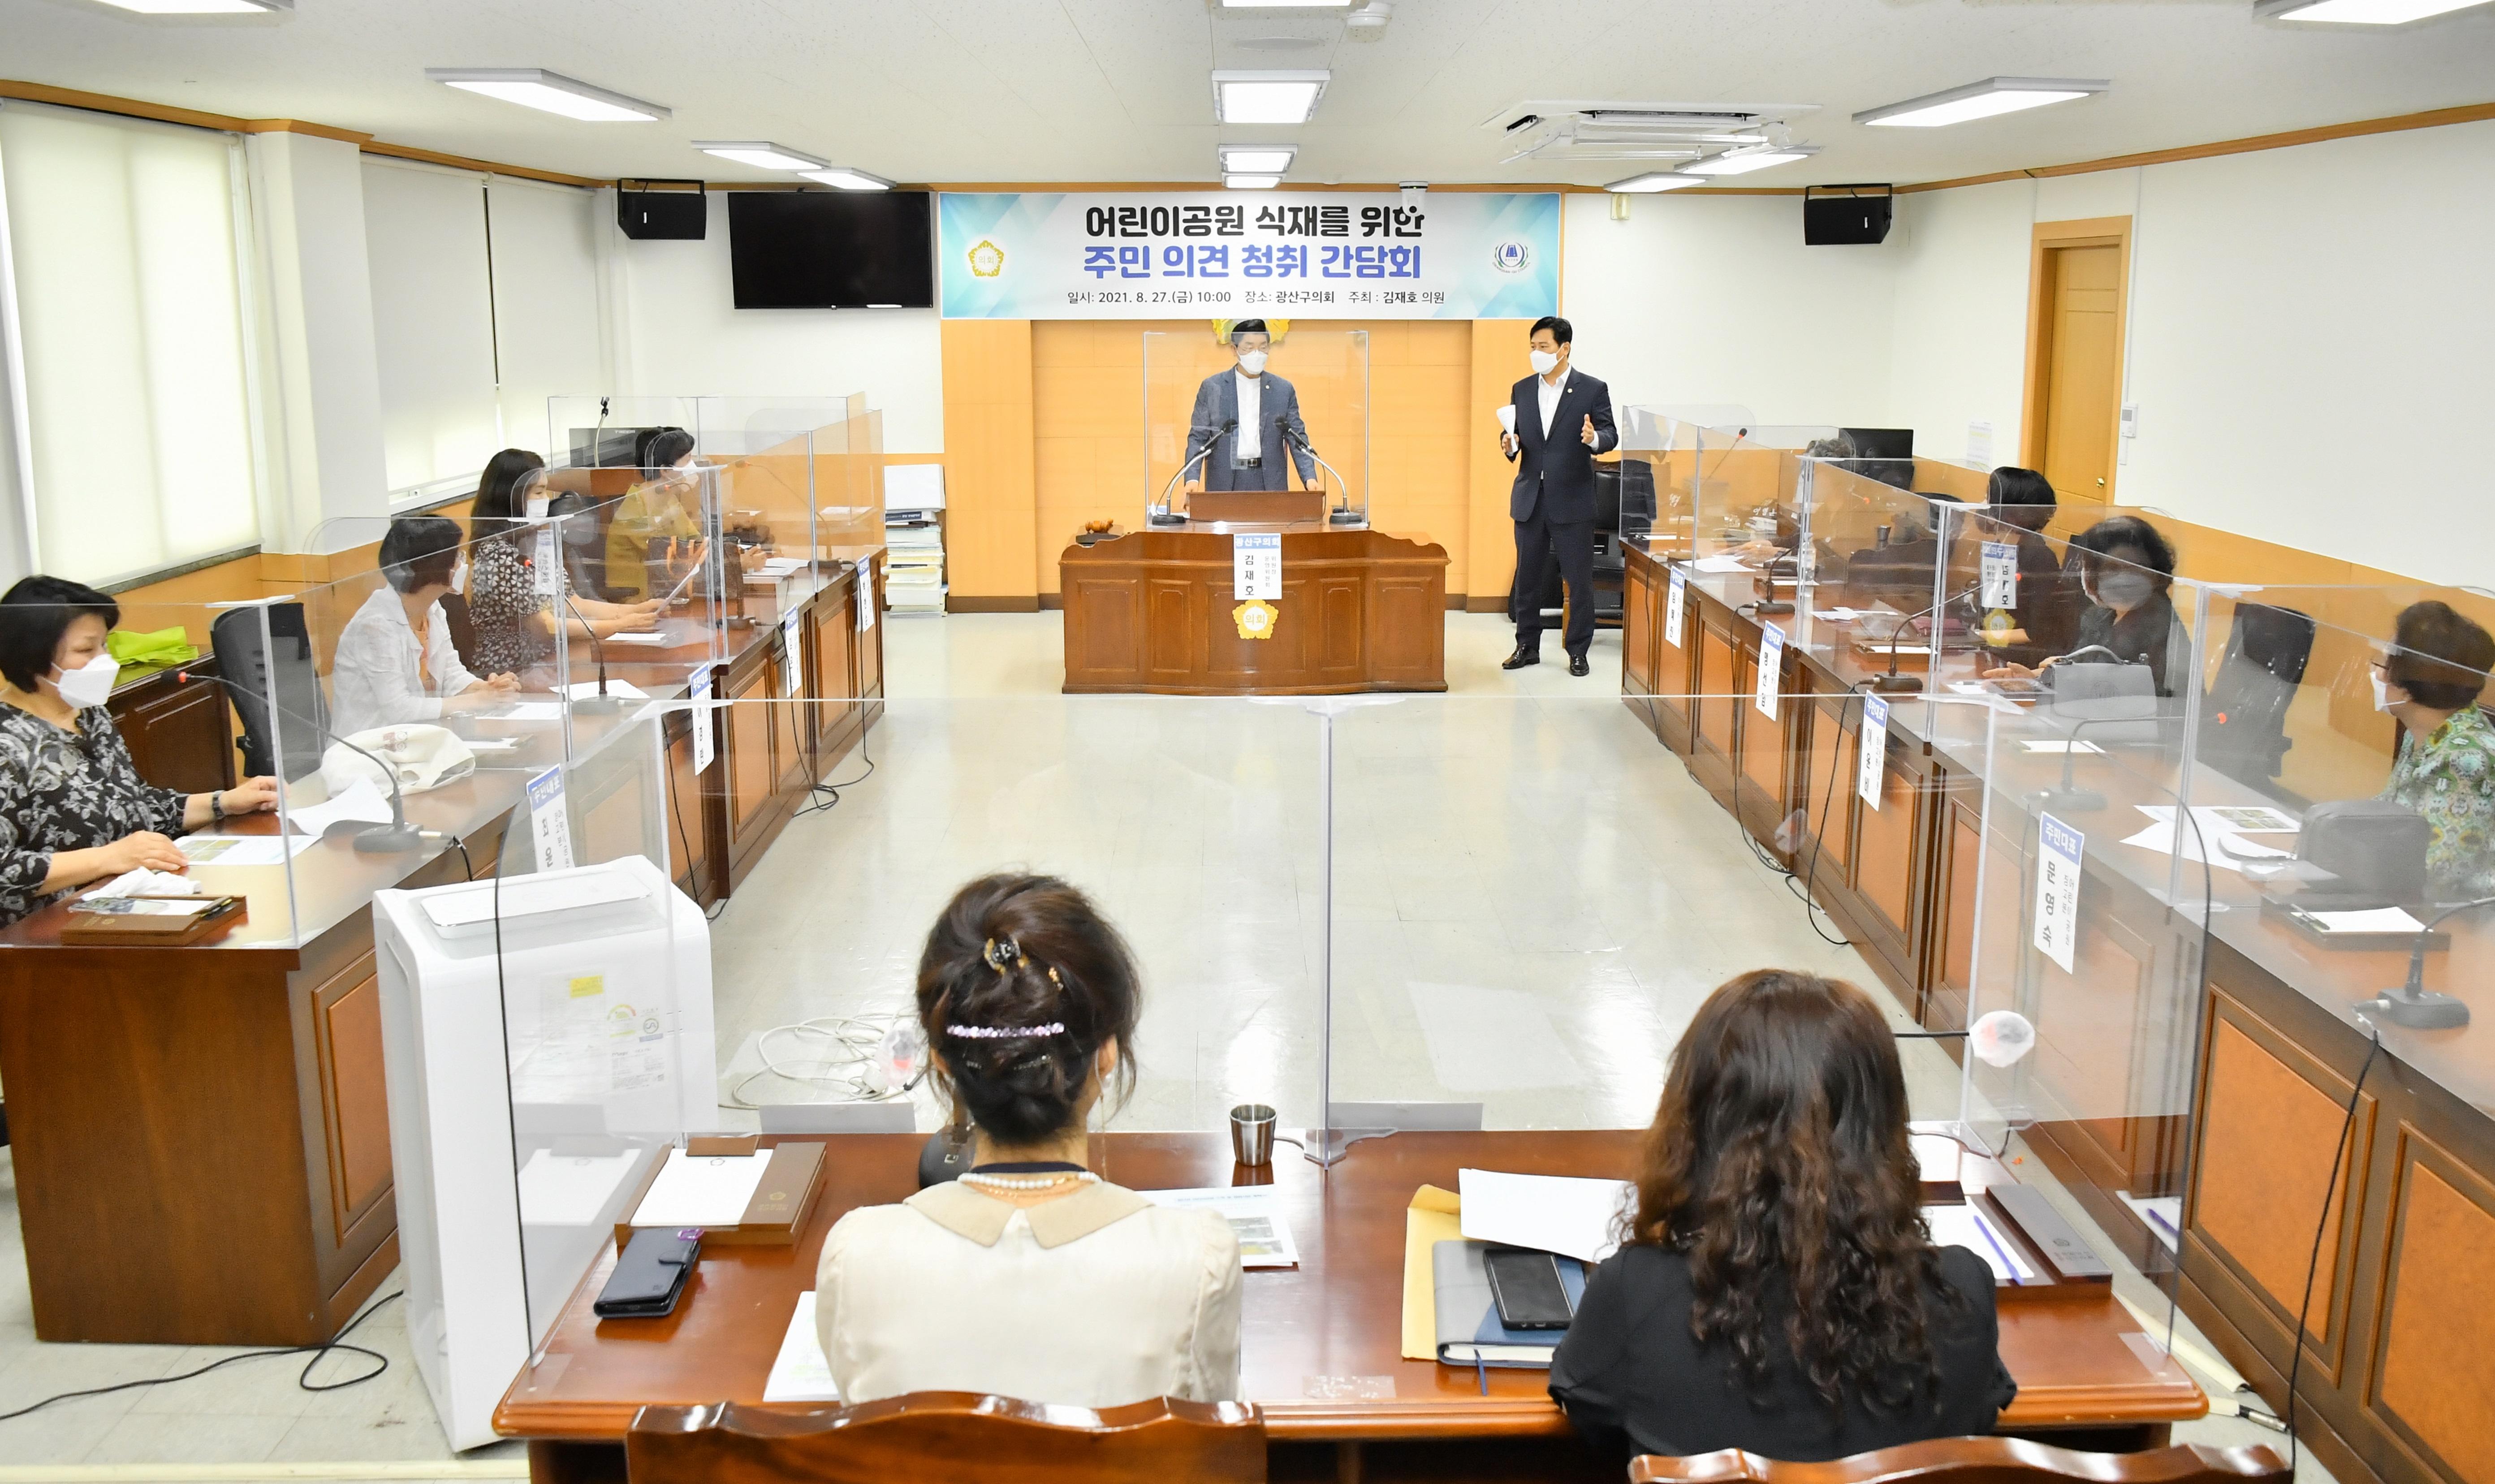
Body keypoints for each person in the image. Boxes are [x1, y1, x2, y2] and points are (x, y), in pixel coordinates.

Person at [1549, 970, 2016, 1462]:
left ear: (1700, 1123)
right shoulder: (1963, 1292)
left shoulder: (1636, 1293)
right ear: (1880, 1129)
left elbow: (1590, 1416)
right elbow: (1978, 1417)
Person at [816, 873, 1241, 1407]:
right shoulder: (1196, 1260)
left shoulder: (856, 1256)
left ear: (942, 1063)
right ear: (1107, 1056)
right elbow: (1206, 1436)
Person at [0, 577, 280, 928]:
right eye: (87, 651)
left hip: (130, 902)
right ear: (30, 657)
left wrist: (223, 802)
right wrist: (108, 859)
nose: (104, 660)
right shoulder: (7, 744)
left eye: (104, 646)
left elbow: (133, 807)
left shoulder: (89, 714)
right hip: (47, 934)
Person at [466, 450, 660, 679]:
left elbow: (570, 602)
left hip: (550, 661)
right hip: (512, 673)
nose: (546, 500)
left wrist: (634, 611)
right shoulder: (497, 555)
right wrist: (620, 625)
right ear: (512, 497)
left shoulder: (535, 542)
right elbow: (544, 626)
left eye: (546, 491)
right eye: (539, 492)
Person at [329, 517, 519, 738]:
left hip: (419, 738)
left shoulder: (433, 609)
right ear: (434, 566)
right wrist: (476, 701)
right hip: (371, 751)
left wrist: (486, 689)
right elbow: (399, 709)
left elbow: (451, 674)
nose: (463, 564)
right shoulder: (374, 626)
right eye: (457, 557)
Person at [1502, 315, 1617, 677]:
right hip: (1530, 499)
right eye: (1533, 347)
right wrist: (1508, 445)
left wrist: (1592, 439)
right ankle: (1527, 646)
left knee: (1578, 580)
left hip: (1573, 500)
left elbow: (1609, 434)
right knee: (1528, 578)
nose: (1536, 353)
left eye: (1544, 347)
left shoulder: (1592, 389)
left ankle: (1578, 651)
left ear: (1564, 348)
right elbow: (1514, 436)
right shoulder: (1521, 389)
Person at [1981, 514, 2192, 696]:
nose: (2123, 579)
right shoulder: (2100, 616)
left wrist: (2050, 681)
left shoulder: (2158, 624)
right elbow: (2076, 668)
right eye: (2112, 569)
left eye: (2128, 568)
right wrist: (2032, 680)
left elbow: (2121, 693)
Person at [2374, 601, 2495, 897]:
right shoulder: (2423, 734)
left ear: (2406, 689)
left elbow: (2438, 871)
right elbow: (2383, 813)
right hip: (2407, 897)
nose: (2377, 676)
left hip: (2463, 919)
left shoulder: (2466, 759)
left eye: (2384, 666)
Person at [1181, 319, 1317, 499]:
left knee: (1271, 527)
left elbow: (1297, 437)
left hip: (1269, 480)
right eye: (1249, 348)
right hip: (1225, 479)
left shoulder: (1283, 389)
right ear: (1234, 350)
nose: (1257, 354)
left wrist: (1310, 478)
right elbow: (1199, 437)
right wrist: (1192, 479)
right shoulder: (1213, 387)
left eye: (1263, 348)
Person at [1967, 466, 2078, 669]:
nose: (1982, 505)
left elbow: (2034, 633)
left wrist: (1974, 636)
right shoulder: (1999, 547)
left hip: (2019, 665)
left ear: (2011, 513)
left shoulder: (2040, 558)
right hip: (1990, 653)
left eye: (1988, 499)